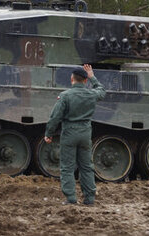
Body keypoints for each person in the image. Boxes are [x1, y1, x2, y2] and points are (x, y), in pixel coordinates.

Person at [44, 63, 106, 205]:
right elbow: (102, 91)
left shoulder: (65, 96)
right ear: (85, 81)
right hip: (85, 133)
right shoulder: (91, 94)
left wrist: (49, 133)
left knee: (67, 167)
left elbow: (55, 117)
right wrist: (92, 77)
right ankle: (89, 198)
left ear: (72, 79)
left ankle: (71, 198)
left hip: (69, 133)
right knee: (86, 166)